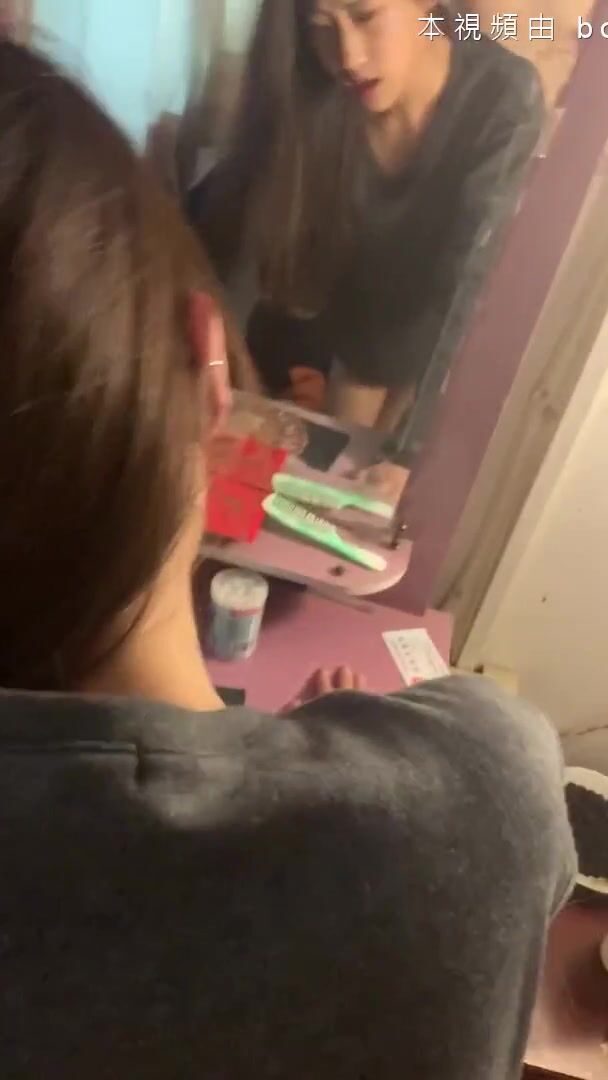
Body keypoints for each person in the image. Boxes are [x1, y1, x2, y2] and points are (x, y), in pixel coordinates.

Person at [0, 41, 575, 1080]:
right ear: (209, 367)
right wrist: (344, 782)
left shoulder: (493, 113)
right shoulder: (481, 798)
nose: (345, 48)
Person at [188, 0, 544, 435]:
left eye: (365, 16)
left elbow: (470, 296)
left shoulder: (503, 95)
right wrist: (220, 373)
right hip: (352, 343)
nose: (348, 58)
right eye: (321, 26)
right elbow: (228, 241)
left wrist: (409, 448)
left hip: (439, 344)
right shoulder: (310, 83)